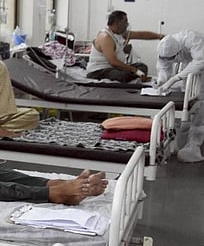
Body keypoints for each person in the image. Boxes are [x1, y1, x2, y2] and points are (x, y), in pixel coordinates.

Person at [156, 31, 204, 162]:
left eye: (172, 58)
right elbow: (163, 66)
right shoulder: (164, 48)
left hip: (200, 66)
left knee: (199, 109)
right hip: (188, 68)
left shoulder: (192, 39)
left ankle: (193, 148)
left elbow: (200, 61)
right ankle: (179, 145)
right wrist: (162, 80)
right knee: (184, 108)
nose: (169, 61)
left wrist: (175, 78)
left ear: (178, 52)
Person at [86, 10, 164, 83]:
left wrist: (161, 36)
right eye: (125, 22)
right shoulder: (105, 37)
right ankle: (137, 77)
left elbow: (142, 35)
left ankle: (137, 77)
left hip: (113, 69)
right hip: (99, 71)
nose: (127, 24)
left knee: (142, 66)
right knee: (123, 75)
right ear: (116, 23)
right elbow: (113, 62)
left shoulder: (121, 34)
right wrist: (135, 70)